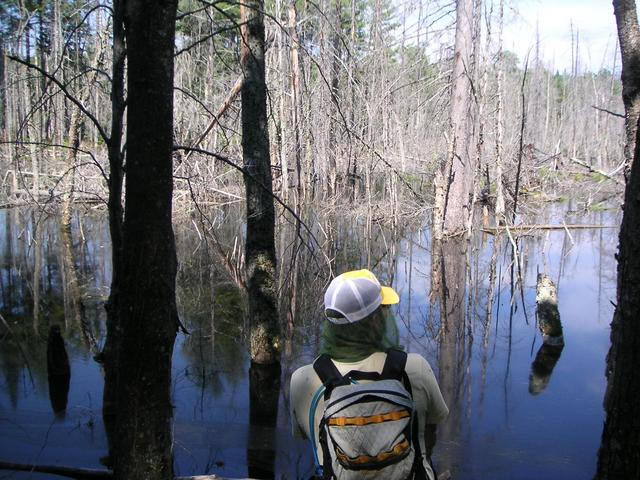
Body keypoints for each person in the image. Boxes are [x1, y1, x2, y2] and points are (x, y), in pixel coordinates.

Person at [290, 269, 449, 479]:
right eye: (383, 309)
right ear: (376, 321)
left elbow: (307, 437)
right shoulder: (414, 369)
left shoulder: (304, 380)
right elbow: (430, 433)